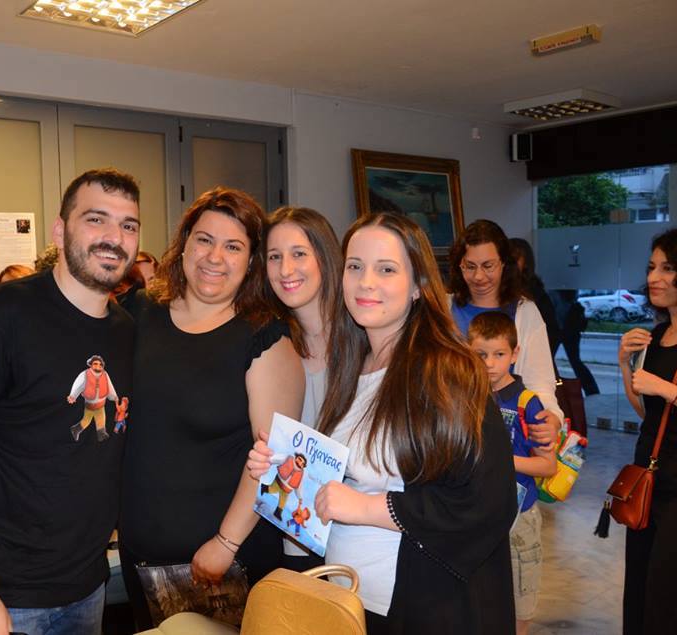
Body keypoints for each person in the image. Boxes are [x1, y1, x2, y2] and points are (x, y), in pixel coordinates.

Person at [250, 212, 518, 633]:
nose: (366, 282)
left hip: (420, 606)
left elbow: (487, 501)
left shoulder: (445, 372)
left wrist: (367, 508)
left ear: (418, 285)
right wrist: (283, 470)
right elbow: (353, 480)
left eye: (386, 269)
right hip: (351, 603)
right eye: (355, 267)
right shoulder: (354, 365)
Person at [0, 167, 141, 635]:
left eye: (128, 225)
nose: (114, 237)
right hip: (2, 597)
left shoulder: (125, 331)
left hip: (87, 588)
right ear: (60, 231)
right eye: (96, 219)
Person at [118, 187, 304, 630]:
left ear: (251, 261)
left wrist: (226, 542)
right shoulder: (141, 312)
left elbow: (274, 461)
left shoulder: (265, 337)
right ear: (184, 243)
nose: (214, 257)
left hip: (222, 562)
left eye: (233, 246)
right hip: (141, 554)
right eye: (204, 240)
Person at [618, 225, 677, 634]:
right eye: (652, 267)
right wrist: (625, 365)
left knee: (674, 596)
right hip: (650, 479)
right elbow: (648, 412)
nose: (654, 277)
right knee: (641, 589)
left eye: (668, 268)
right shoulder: (655, 336)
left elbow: (663, 394)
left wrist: (667, 388)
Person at [264, 205, 343, 570]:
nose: (285, 270)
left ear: (325, 258)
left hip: (359, 535)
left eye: (298, 254)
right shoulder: (269, 346)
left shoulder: (363, 341)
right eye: (274, 257)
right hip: (292, 533)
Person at [468, 311, 557, 635]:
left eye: (499, 354)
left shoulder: (527, 403)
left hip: (520, 517)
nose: (489, 364)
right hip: (480, 513)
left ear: (515, 354)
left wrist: (500, 460)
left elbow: (548, 465)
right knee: (485, 595)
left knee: (521, 596)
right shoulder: (468, 395)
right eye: (481, 354)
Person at [449, 220, 563, 441]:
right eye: (470, 266)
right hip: (454, 432)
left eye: (488, 266)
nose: (479, 276)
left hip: (505, 436)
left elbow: (540, 383)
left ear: (503, 264)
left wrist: (552, 417)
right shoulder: (443, 308)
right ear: (459, 266)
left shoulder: (525, 312)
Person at [510, 237, 561, 357]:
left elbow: (552, 334)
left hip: (531, 358)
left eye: (514, 259)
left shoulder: (535, 293)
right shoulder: (501, 289)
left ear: (525, 262)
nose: (510, 264)